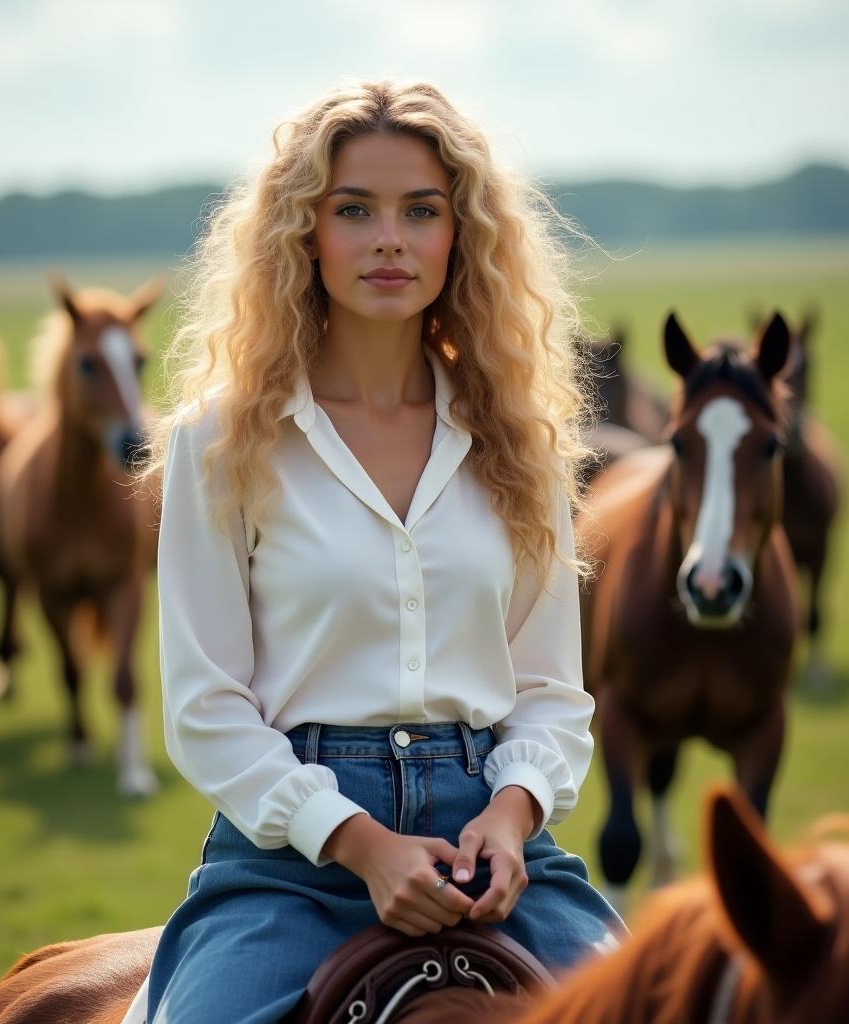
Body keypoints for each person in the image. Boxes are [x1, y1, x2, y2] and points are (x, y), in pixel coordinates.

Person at [136, 78, 624, 1024]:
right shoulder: (220, 442)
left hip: (498, 847)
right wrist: (358, 841)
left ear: (462, 235)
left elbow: (553, 694)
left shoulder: (521, 441)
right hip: (293, 861)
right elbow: (205, 707)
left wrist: (513, 817)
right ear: (302, 233)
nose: (389, 239)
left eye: (421, 211)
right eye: (353, 209)